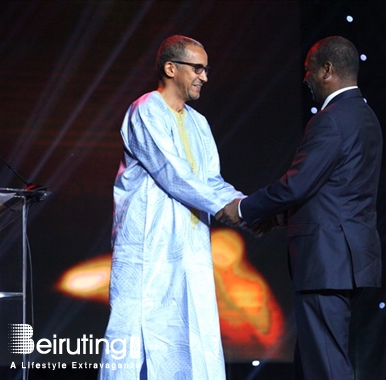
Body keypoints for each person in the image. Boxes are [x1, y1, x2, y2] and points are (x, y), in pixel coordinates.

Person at [219, 36, 383, 379]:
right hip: (345, 259)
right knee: (312, 364)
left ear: (327, 71)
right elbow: (333, 189)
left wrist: (246, 209)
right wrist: (277, 217)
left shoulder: (332, 119)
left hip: (327, 260)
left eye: (308, 70)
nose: (304, 78)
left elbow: (298, 183)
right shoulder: (365, 117)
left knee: (325, 367)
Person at [99, 35, 243, 380]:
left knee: (191, 333)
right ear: (170, 68)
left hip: (189, 244)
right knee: (135, 337)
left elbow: (211, 180)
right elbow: (173, 173)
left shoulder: (199, 123)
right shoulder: (146, 109)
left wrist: (247, 206)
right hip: (149, 244)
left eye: (205, 70)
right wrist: (234, 207)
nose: (204, 77)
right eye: (197, 68)